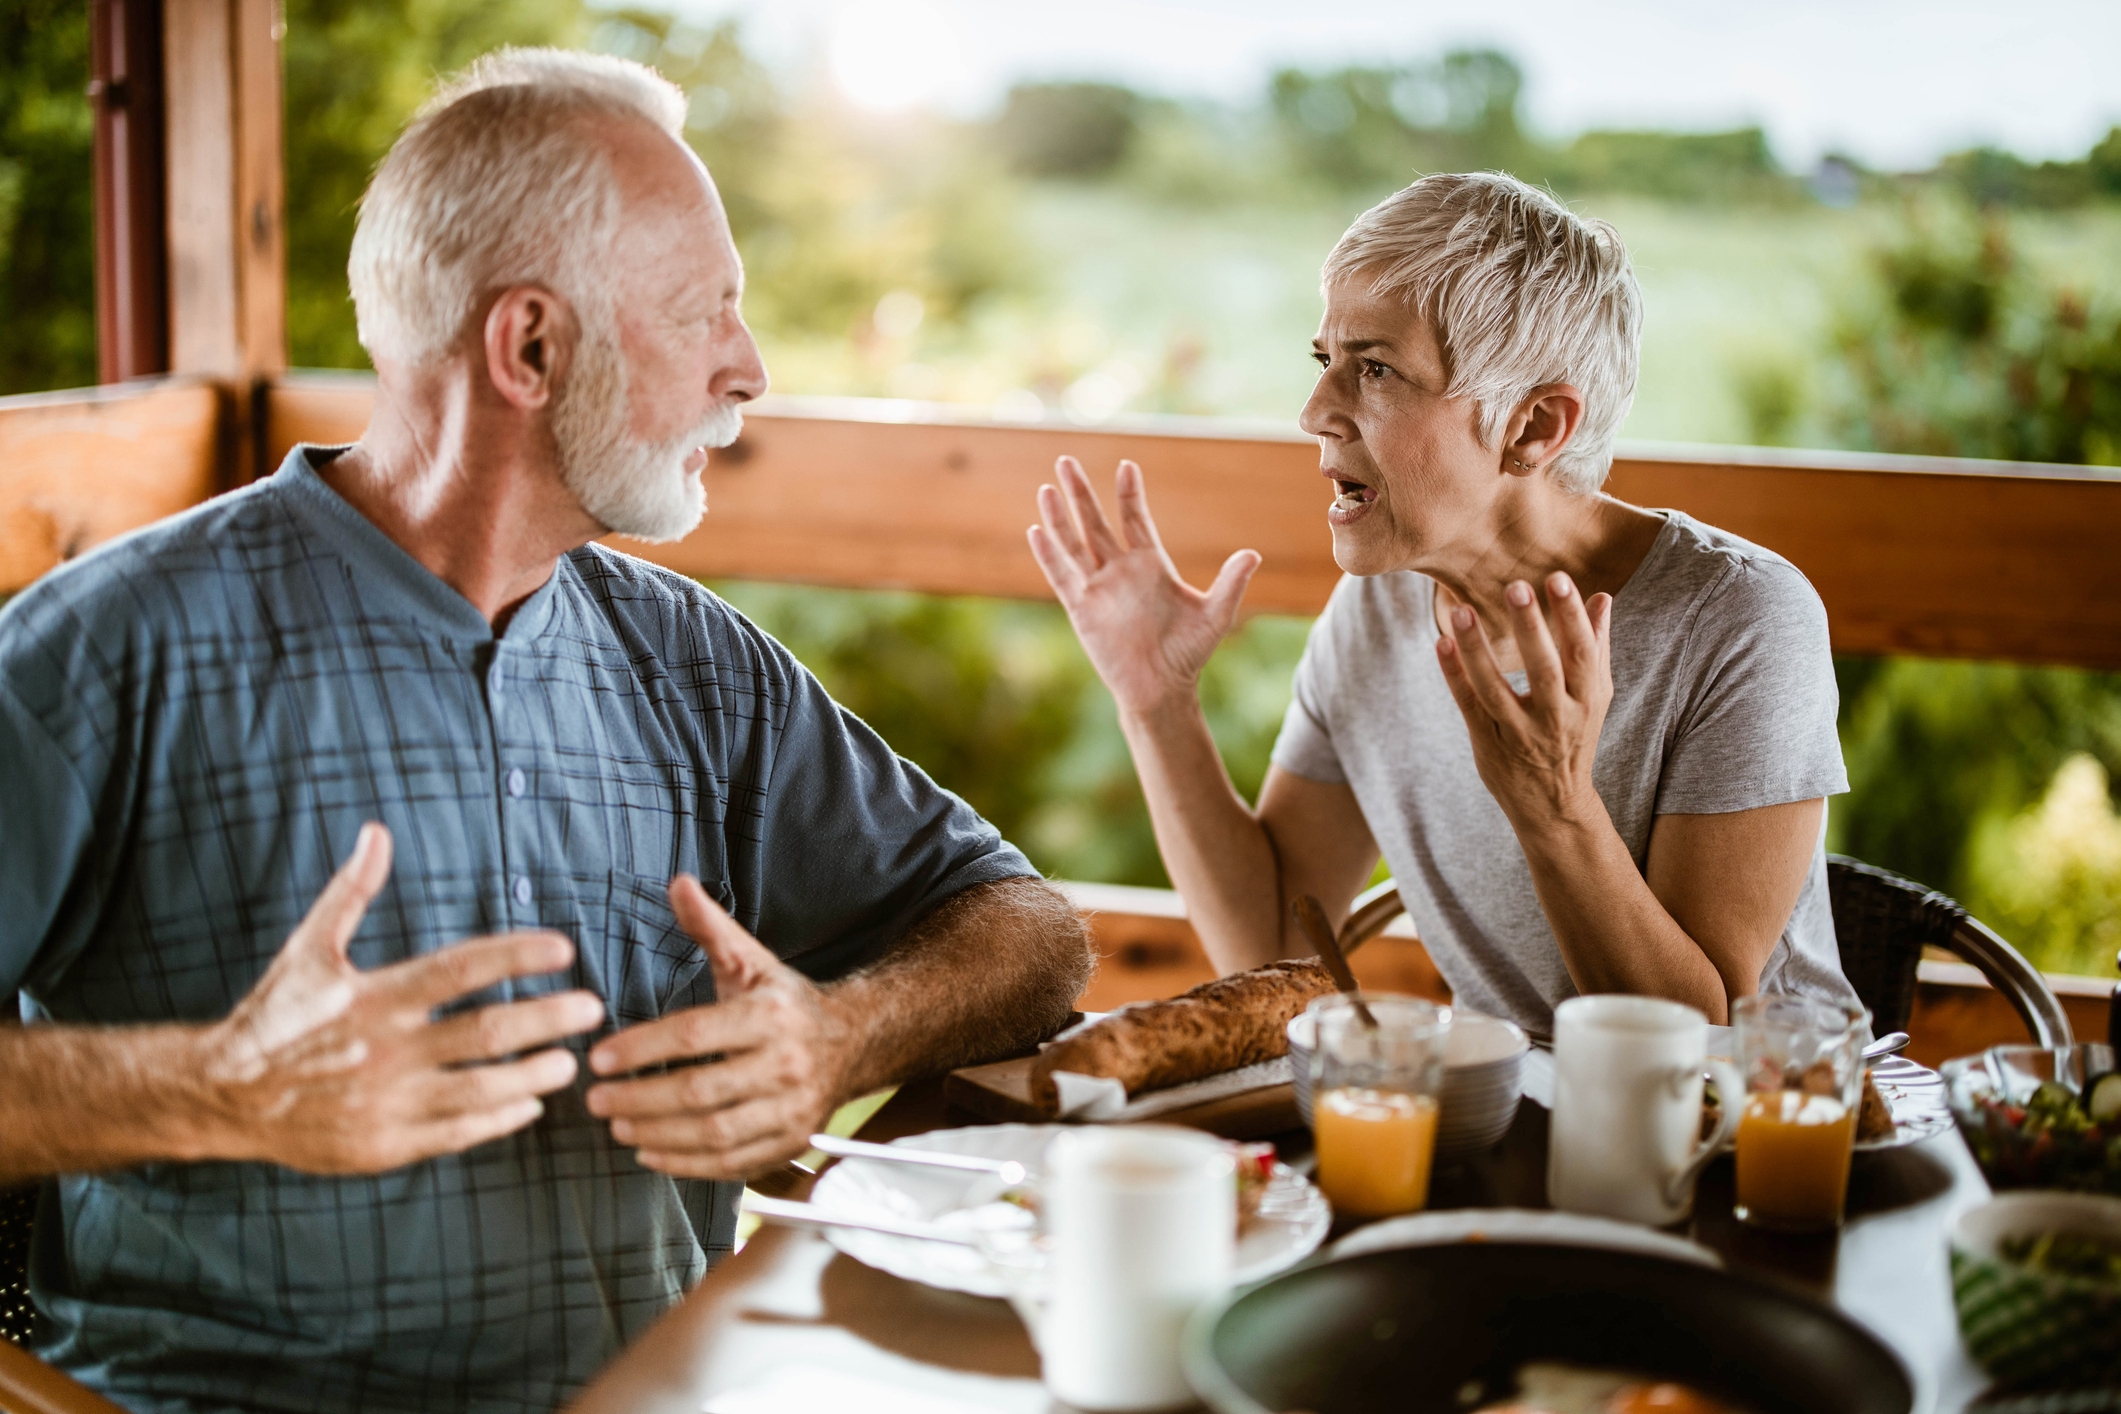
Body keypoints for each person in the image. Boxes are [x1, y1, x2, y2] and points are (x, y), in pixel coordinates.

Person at [0, 48, 1090, 1413]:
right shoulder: (99, 654)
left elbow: (1032, 932)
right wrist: (222, 1084)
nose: (749, 369)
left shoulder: (695, 661)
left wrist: (837, 1037)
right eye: (706, 314)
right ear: (530, 345)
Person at [1029, 171, 1862, 1039]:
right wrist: (1158, 704)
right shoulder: (1378, 613)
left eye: (1377, 370)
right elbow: (1271, 938)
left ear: (1534, 427)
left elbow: (1698, 1038)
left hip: (1762, 1141)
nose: (1315, 411)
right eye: (1326, 363)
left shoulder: (1738, 619)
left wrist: (1555, 808)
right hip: (1514, 1131)